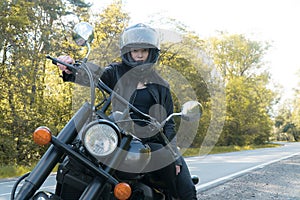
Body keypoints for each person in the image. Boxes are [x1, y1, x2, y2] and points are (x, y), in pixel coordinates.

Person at [57, 23, 197, 199]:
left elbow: (168, 123)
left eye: (144, 50)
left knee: (185, 187)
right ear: (128, 52)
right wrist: (72, 67)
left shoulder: (161, 85)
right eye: (135, 50)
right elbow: (94, 75)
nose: (139, 55)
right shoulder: (115, 72)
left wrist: (174, 156)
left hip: (150, 142)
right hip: (116, 136)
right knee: (77, 155)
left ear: (151, 53)